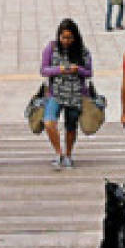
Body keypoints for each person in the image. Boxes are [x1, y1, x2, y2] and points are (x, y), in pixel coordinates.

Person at [39, 18, 93, 169]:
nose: (66, 41)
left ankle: (68, 154)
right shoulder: (51, 48)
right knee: (49, 122)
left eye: (69, 37)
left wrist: (78, 70)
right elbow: (43, 70)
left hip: (75, 94)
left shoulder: (83, 51)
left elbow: (89, 72)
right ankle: (59, 153)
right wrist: (59, 70)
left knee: (71, 126)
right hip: (55, 93)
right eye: (63, 37)